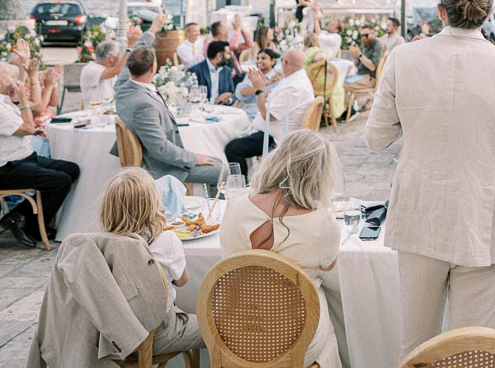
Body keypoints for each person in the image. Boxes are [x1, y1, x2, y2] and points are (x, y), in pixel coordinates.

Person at [365, 0, 495, 355]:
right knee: (474, 349)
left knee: (417, 344)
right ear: (487, 14)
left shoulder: (402, 58)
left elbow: (376, 138)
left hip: (419, 212)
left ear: (441, 12)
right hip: (482, 215)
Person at [221, 130, 343, 367]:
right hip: (294, 339)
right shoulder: (324, 224)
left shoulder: (236, 205)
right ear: (319, 174)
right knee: (331, 316)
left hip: (234, 333)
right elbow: (329, 266)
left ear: (277, 160)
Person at [0, 61, 80, 247]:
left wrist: (29, 83)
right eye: (9, 77)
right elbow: (29, 128)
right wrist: (23, 102)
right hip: (1, 171)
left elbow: (35, 107)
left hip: (19, 159)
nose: (14, 80)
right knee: (60, 181)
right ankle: (32, 227)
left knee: (72, 169)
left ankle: (17, 216)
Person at [98, 169, 202, 353]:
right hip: (157, 333)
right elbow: (182, 281)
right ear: (153, 205)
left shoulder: (100, 242)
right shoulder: (166, 240)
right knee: (218, 327)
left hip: (113, 336)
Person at [113, 47, 223, 187]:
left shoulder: (123, 90)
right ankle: (218, 208)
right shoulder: (144, 105)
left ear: (129, 68)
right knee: (221, 170)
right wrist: (193, 158)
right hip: (160, 167)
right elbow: (159, 148)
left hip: (153, 157)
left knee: (216, 162)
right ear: (153, 69)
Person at [225, 47, 314, 176]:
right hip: (276, 131)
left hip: (278, 138)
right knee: (237, 132)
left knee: (233, 148)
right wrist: (262, 85)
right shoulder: (296, 79)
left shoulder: (293, 86)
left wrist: (259, 89)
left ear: (285, 63)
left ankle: (239, 187)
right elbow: (272, 99)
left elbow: (268, 116)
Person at [188, 40, 237, 105]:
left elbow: (232, 94)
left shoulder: (226, 71)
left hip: (223, 110)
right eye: (228, 53)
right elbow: (192, 99)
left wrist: (228, 100)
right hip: (202, 111)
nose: (229, 57)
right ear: (219, 56)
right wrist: (215, 100)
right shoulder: (195, 71)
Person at [80, 38, 125, 106]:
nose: (120, 58)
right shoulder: (90, 69)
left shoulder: (110, 70)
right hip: (93, 114)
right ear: (111, 57)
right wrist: (129, 48)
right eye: (119, 55)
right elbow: (116, 70)